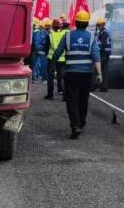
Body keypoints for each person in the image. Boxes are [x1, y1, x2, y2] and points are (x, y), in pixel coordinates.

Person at [49, 9, 102, 139]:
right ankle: (81, 123)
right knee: (83, 99)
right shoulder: (91, 37)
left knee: (72, 100)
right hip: (86, 74)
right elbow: (96, 56)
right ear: (86, 23)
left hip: (71, 73)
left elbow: (57, 52)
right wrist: (99, 74)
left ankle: (75, 126)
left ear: (76, 22)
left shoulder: (67, 36)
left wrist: (52, 65)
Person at [47, 18, 68, 98]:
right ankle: (63, 94)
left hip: (51, 58)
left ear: (53, 26)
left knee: (50, 77)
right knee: (62, 77)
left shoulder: (50, 35)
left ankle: (50, 94)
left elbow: (47, 46)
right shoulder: (64, 34)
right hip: (62, 59)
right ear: (61, 26)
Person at [95, 17, 112, 91]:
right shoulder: (104, 32)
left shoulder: (104, 33)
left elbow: (103, 44)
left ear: (103, 25)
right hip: (105, 53)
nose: (98, 26)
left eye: (99, 25)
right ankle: (104, 87)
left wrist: (97, 51)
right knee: (104, 71)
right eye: (98, 25)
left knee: (97, 69)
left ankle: (93, 86)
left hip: (102, 53)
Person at [31, 18, 50, 85]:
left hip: (37, 51)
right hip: (41, 51)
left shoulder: (36, 32)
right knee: (40, 65)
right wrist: (42, 50)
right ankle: (39, 78)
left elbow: (35, 42)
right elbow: (41, 43)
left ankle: (35, 77)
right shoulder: (41, 32)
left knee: (36, 64)